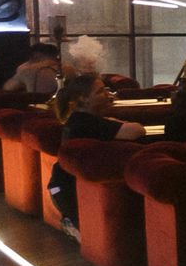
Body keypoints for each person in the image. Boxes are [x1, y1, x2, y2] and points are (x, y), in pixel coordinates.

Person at [45, 74, 145, 241]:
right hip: (70, 192)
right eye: (100, 91)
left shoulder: (79, 119)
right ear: (84, 99)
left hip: (62, 188)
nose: (107, 94)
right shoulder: (86, 121)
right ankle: (73, 223)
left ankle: (72, 223)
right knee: (94, 239)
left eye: (106, 90)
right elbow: (137, 131)